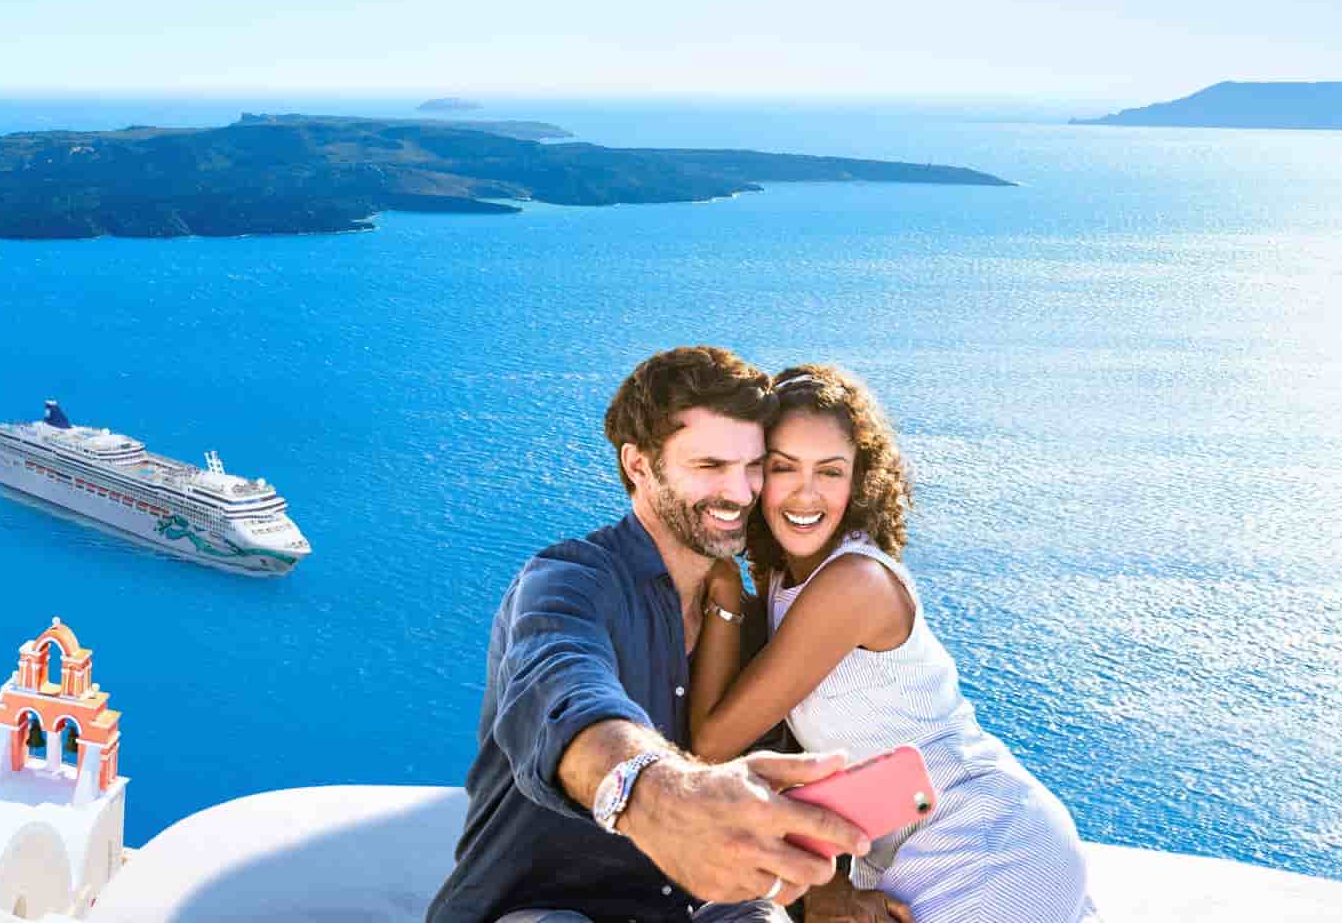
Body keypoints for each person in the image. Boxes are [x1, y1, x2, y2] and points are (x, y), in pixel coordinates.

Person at [428, 347, 905, 923]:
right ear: (639, 465)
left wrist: (826, 889)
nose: (740, 492)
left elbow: (791, 784)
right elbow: (563, 692)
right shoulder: (568, 583)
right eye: (709, 467)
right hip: (539, 910)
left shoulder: (754, 627)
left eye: (753, 466)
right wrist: (653, 791)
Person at [687, 365, 1102, 923]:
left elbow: (712, 744)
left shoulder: (851, 584)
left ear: (859, 480)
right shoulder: (788, 581)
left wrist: (722, 594)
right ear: (758, 475)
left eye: (830, 472)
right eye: (784, 467)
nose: (807, 493)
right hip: (919, 844)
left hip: (985, 840)